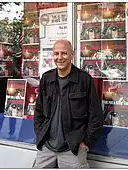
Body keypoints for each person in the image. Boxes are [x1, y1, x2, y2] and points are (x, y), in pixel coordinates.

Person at [33, 40, 103, 168]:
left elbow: (96, 116)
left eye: (64, 53)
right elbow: (39, 111)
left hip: (73, 149)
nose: (59, 57)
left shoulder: (84, 80)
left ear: (72, 55)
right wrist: (40, 135)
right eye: (56, 54)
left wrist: (86, 142)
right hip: (47, 147)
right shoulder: (47, 78)